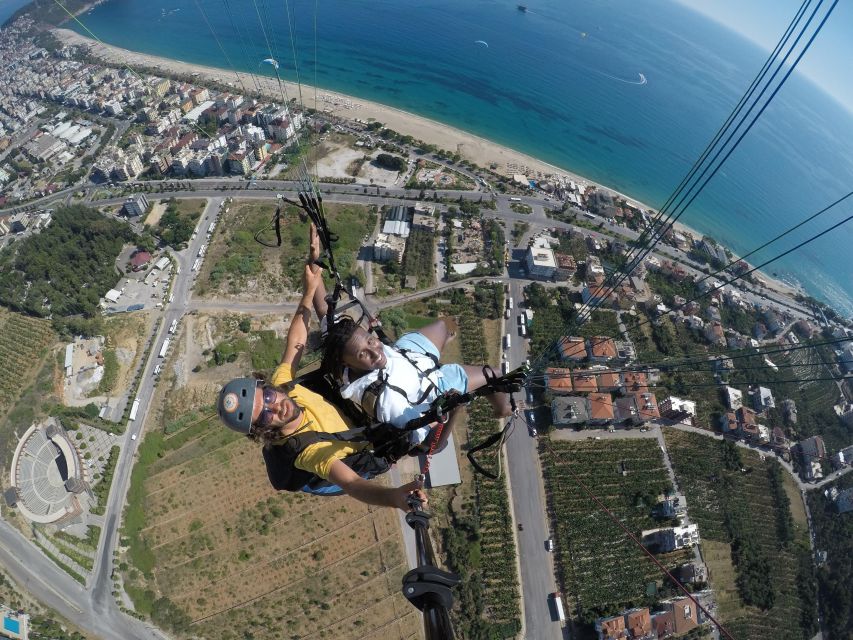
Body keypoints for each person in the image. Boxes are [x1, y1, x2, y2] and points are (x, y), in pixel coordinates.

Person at [217, 235, 425, 511]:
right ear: (263, 430)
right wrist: (394, 498)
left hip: (355, 411)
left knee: (345, 338)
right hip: (373, 442)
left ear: (267, 386)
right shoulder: (307, 451)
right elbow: (351, 483)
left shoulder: (283, 387)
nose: (275, 406)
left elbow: (295, 343)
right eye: (266, 414)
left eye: (266, 395)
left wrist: (309, 287)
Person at [320, 308, 512, 450]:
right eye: (364, 354)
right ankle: (503, 409)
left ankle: (438, 349)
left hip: (408, 355)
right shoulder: (389, 403)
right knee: (495, 374)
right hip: (436, 387)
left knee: (442, 325)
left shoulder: (345, 346)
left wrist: (314, 271)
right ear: (348, 363)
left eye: (371, 341)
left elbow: (325, 312)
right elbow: (430, 446)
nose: (375, 353)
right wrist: (453, 412)